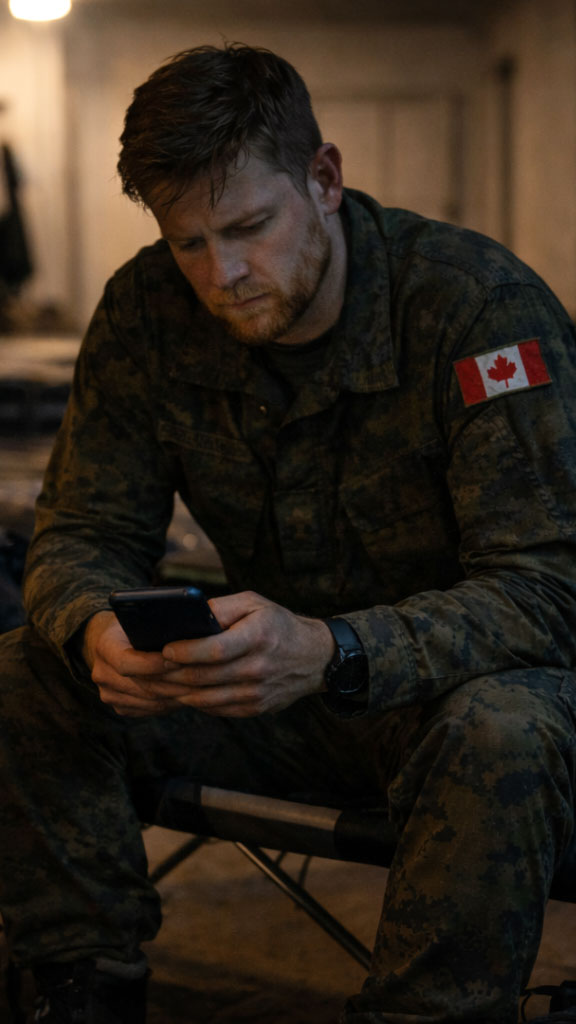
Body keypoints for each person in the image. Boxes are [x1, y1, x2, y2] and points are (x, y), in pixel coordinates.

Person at [1, 42, 576, 1024]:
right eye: (187, 242)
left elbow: (548, 593)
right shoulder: (147, 311)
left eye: (249, 227)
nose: (221, 273)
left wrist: (337, 647)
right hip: (263, 691)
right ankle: (80, 979)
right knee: (26, 664)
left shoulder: (474, 307)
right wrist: (96, 624)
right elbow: (79, 533)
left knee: (506, 719)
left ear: (325, 180)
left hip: (443, 705)